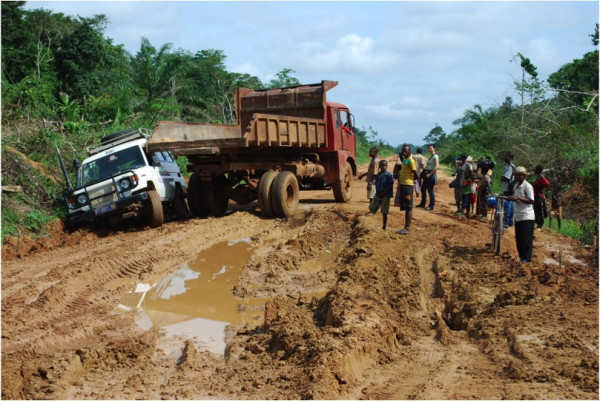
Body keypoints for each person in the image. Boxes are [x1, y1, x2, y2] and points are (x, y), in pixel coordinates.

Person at [506, 166, 535, 263]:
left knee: (526, 239)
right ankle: (522, 257)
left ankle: (526, 258)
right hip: (518, 216)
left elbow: (531, 200)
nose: (517, 177)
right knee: (519, 238)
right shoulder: (516, 186)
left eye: (519, 175)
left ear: (524, 176)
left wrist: (518, 198)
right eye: (516, 175)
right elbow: (515, 197)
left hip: (527, 216)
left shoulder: (527, 186)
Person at [397, 144, 418, 235]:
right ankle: (405, 227)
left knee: (409, 207)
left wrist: (415, 183)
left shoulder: (411, 161)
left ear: (410, 151)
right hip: (403, 185)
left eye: (406, 151)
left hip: (408, 186)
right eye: (403, 151)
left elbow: (416, 174)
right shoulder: (405, 160)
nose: (404, 153)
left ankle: (407, 228)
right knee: (405, 206)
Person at [367, 159, 394, 230]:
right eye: (381, 166)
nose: (383, 167)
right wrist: (370, 183)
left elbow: (390, 184)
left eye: (384, 165)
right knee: (372, 205)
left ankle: (384, 226)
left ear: (387, 166)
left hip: (386, 195)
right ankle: (373, 212)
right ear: (379, 166)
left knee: (384, 212)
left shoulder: (389, 175)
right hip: (378, 193)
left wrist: (384, 193)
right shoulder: (378, 175)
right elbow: (375, 183)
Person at [417, 144, 439, 210]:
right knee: (423, 189)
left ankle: (431, 206)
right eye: (428, 148)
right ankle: (422, 203)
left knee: (430, 191)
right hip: (427, 174)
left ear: (434, 148)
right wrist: (423, 172)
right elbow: (427, 166)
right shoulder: (431, 156)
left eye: (431, 148)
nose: (429, 149)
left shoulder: (435, 156)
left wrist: (430, 174)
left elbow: (436, 167)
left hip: (431, 175)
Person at [500, 151, 516, 228]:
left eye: (506, 156)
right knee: (511, 204)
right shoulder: (513, 167)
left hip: (508, 188)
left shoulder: (510, 167)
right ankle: (510, 222)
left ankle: (506, 222)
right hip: (510, 188)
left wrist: (502, 177)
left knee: (507, 205)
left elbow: (505, 178)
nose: (504, 158)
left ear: (509, 158)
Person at [533, 165, 550, 230]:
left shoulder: (541, 177)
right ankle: (537, 223)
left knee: (540, 210)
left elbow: (547, 184)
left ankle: (540, 224)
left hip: (539, 196)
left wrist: (541, 188)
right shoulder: (538, 177)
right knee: (536, 209)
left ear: (538, 170)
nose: (534, 170)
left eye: (535, 169)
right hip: (536, 195)